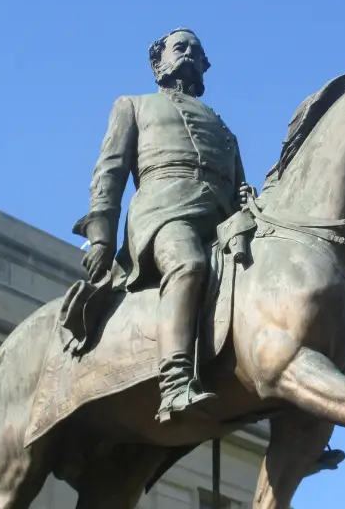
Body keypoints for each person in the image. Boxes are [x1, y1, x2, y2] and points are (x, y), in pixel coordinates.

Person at [72, 28, 245, 424]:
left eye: (196, 51)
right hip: (164, 210)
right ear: (158, 63)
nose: (187, 54)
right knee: (188, 265)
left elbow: (239, 187)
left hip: (221, 217)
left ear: (204, 66)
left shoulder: (224, 130)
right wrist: (101, 236)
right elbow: (109, 172)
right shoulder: (132, 105)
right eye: (179, 47)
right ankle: (175, 382)